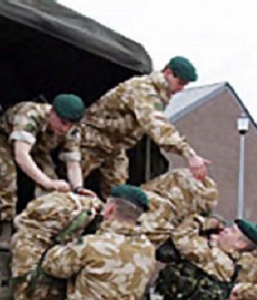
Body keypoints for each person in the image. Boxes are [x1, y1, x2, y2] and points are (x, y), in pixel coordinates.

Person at [79, 56, 210, 199]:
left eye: (185, 85)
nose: (181, 89)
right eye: (180, 82)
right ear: (167, 73)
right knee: (72, 183)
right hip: (94, 139)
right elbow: (156, 124)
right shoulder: (142, 88)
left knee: (118, 195)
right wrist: (189, 154)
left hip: (115, 147)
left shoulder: (160, 96)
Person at [0, 94, 92, 249]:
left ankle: (43, 228)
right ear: (52, 113)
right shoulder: (29, 115)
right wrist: (47, 183)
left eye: (70, 125)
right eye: (63, 123)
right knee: (7, 175)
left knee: (52, 180)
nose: (65, 129)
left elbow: (73, 163)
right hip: (3, 140)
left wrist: (78, 188)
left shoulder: (71, 130)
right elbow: (21, 154)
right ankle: (5, 227)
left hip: (38, 147)